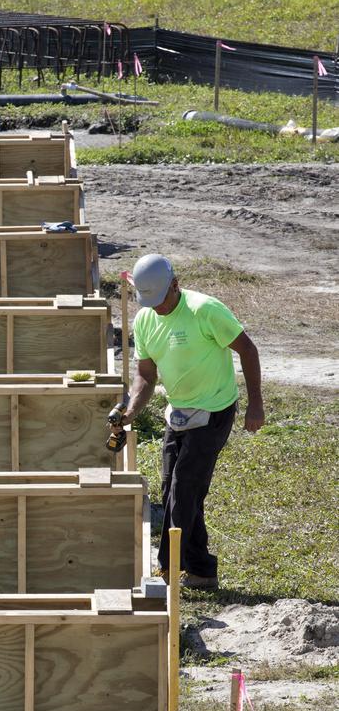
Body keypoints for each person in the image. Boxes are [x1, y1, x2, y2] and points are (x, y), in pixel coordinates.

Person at [115, 253, 264, 591]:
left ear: (175, 285)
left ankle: (167, 571)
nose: (157, 309)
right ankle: (202, 571)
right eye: (149, 302)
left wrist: (256, 403)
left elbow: (248, 350)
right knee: (175, 490)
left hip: (214, 411)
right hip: (179, 411)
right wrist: (129, 411)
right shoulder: (145, 320)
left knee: (184, 488)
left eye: (161, 301)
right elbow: (145, 375)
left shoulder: (205, 310)